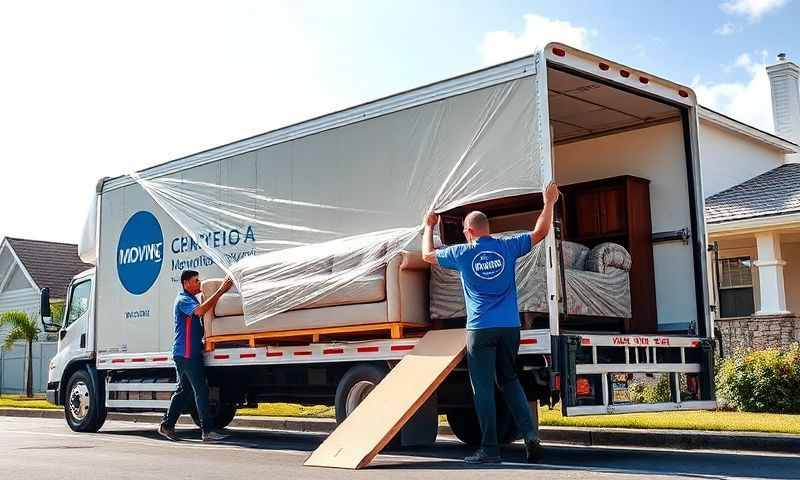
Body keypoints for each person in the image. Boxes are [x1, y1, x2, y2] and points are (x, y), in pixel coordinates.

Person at [421, 181, 560, 464]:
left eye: (463, 230)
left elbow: (427, 254)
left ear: (470, 231)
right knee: (509, 381)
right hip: (510, 327)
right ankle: (531, 437)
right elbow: (541, 232)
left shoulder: (462, 253)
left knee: (482, 388)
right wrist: (548, 202)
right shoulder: (507, 247)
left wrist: (428, 226)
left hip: (481, 329)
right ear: (487, 229)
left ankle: (489, 449)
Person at [158, 270, 234, 442]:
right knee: (200, 390)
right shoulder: (183, 300)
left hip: (185, 352)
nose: (199, 283)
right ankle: (207, 431)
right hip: (186, 353)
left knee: (184, 391)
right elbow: (200, 312)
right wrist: (221, 290)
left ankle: (167, 425)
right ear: (186, 283)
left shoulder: (190, 298)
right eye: (196, 281)